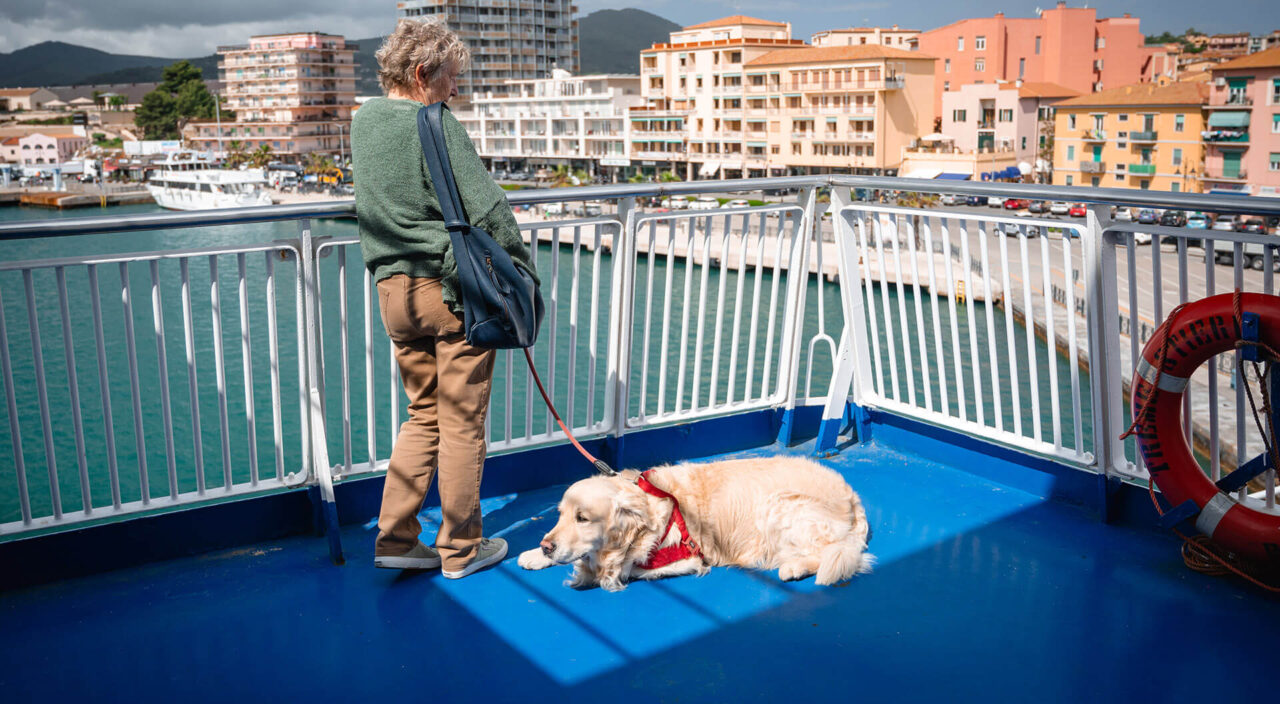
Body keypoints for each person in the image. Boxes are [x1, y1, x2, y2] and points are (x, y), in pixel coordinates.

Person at [352, 18, 538, 579]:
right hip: (448, 291)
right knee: (461, 423)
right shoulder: (434, 121)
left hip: (393, 291)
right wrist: (522, 272)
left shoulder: (363, 121)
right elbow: (487, 210)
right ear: (421, 73)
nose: (455, 89)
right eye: (452, 77)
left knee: (422, 416)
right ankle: (461, 550)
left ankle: (396, 538)